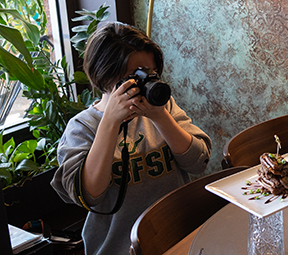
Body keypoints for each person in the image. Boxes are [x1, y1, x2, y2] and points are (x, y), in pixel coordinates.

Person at [51, 22, 212, 254]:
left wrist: (160, 117)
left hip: (176, 239)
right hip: (117, 248)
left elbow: (200, 162)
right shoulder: (82, 127)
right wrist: (110, 122)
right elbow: (89, 195)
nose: (146, 81)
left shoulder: (162, 107)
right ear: (106, 76)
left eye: (151, 73)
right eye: (136, 75)